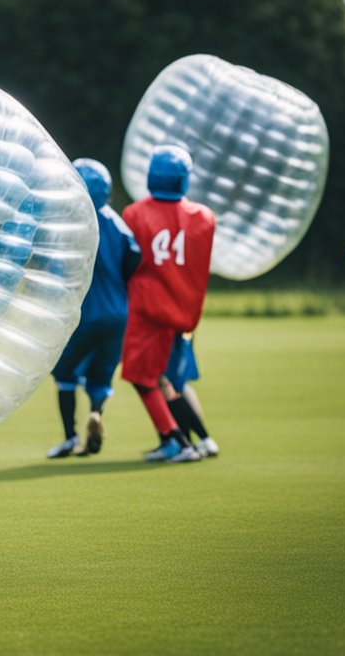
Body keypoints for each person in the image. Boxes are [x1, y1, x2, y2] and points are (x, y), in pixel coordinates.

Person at [120, 145, 214, 463]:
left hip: (149, 310)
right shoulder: (204, 218)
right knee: (174, 379)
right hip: (184, 311)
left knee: (142, 375)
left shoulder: (134, 214)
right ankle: (200, 440)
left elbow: (129, 261)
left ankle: (177, 441)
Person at [46, 159, 141, 458]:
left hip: (84, 314)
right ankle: (96, 413)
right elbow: (134, 257)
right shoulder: (117, 223)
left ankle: (70, 437)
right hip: (118, 313)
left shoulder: (70, 223)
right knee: (101, 376)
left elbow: (56, 268)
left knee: (64, 373)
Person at [158, 332, 219, 457]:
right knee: (175, 385)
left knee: (171, 386)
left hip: (172, 334)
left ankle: (193, 442)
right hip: (177, 334)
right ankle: (190, 441)